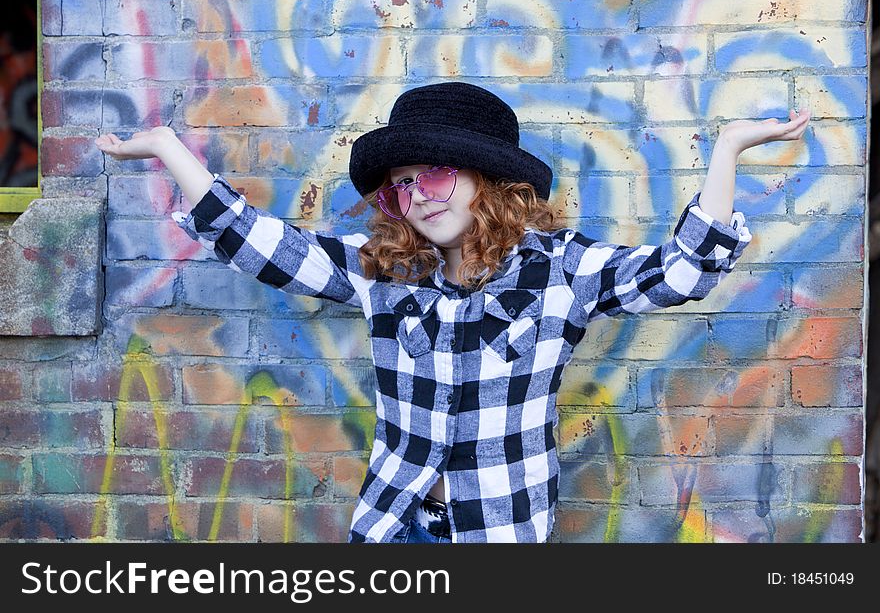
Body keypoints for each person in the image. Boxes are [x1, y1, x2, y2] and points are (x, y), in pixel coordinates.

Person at [95, 82, 811, 543]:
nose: (419, 195)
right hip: (395, 526)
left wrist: (726, 149)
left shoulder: (562, 272)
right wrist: (165, 148)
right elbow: (262, 245)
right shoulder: (387, 273)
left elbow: (682, 271)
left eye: (436, 173)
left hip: (499, 533)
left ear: (488, 180)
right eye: (401, 185)